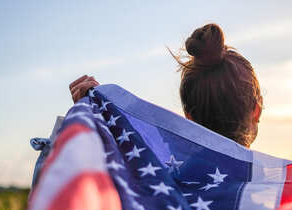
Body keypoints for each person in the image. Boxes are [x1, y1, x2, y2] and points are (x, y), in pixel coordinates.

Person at [69, 23, 262, 148]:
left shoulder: (159, 187)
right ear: (257, 109)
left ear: (189, 118)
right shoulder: (277, 198)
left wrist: (94, 126)